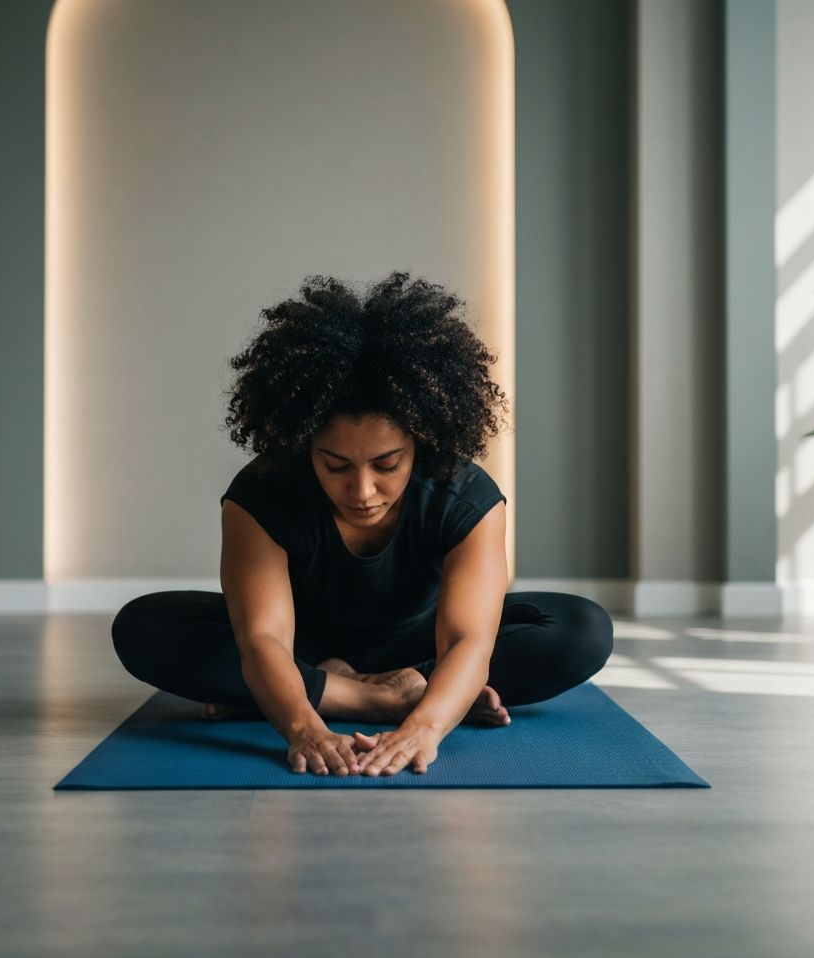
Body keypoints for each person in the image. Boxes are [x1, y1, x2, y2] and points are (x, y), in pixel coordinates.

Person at [111, 270, 614, 778]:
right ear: (305, 443)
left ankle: (332, 690)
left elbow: (467, 642)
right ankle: (378, 696)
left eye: (387, 464)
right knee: (145, 628)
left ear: (420, 441)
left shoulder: (465, 496)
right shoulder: (262, 493)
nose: (362, 490)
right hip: (301, 647)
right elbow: (263, 640)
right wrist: (305, 728)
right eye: (335, 465)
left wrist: (425, 727)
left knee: (581, 630)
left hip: (425, 648)